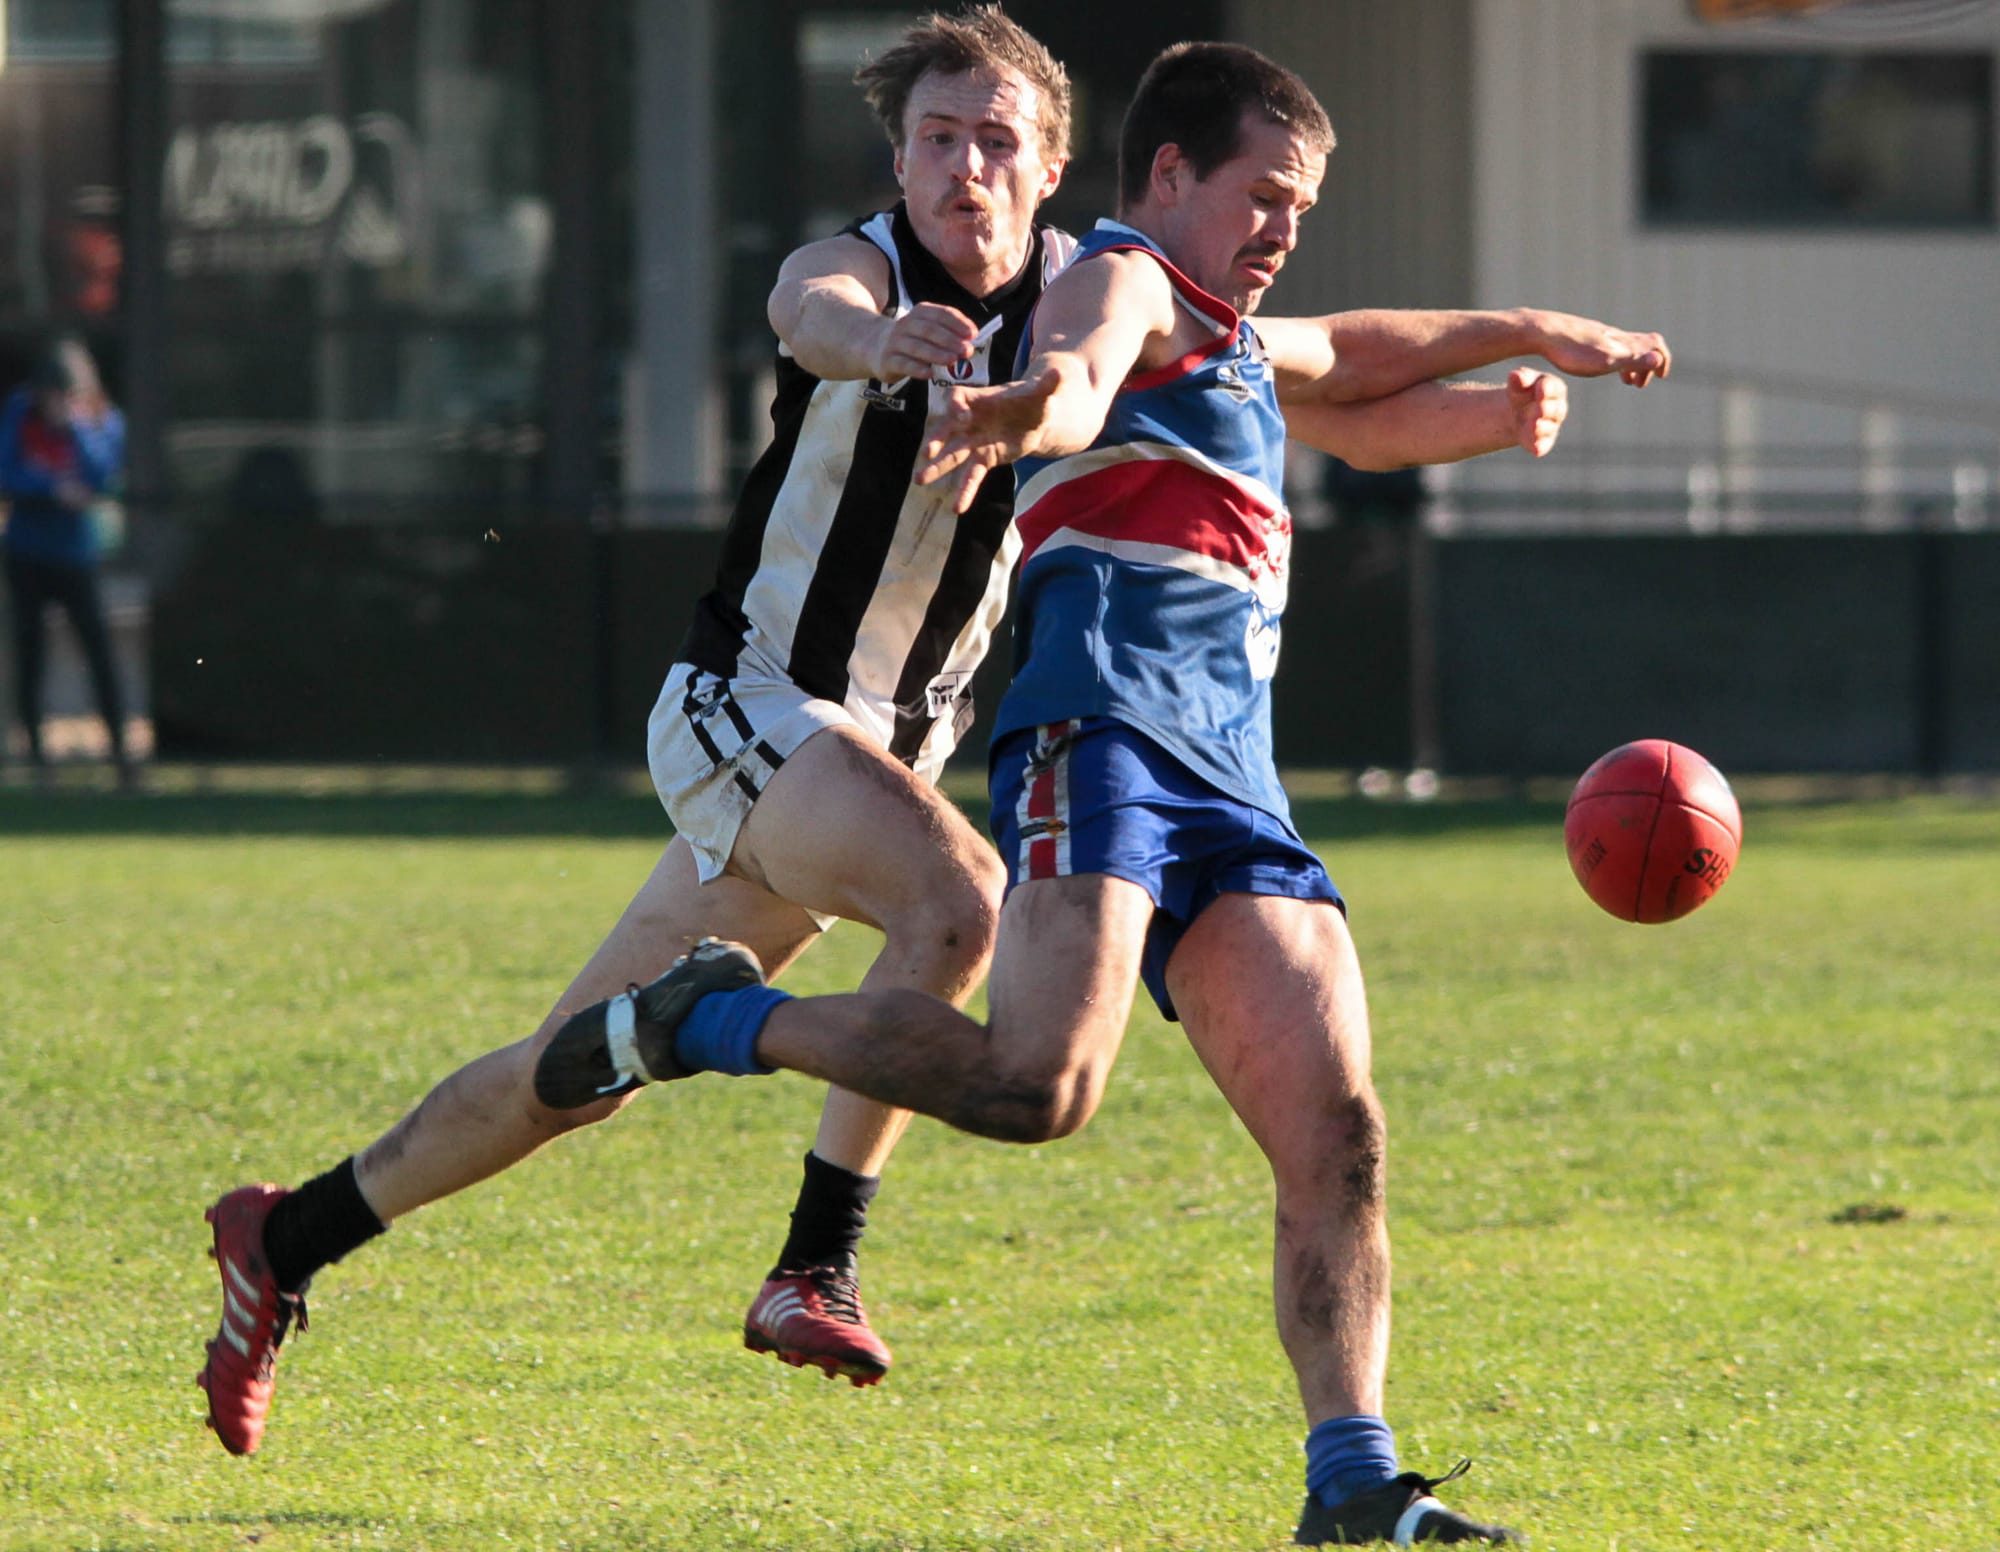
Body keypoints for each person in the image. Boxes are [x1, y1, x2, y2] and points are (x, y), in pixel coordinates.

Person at [195, 3, 1667, 1471]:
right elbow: (807, 314)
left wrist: (1511, 365)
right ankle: (815, 1261)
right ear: (897, 160)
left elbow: (1326, 360)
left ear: (1052, 168)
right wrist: (885, 339)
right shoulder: (865, 270)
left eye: (995, 142)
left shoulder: (1101, 288)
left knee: (567, 1072)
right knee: (962, 899)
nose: (962, 168)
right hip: (753, 706)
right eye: (934, 140)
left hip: (873, 758)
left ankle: (290, 1235)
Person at [0, 336, 131, 788]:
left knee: (99, 652)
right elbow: (6, 471)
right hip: (27, 553)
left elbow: (102, 475)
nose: (56, 403)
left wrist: (75, 427)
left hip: (76, 555)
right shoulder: (22, 413)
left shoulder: (103, 419)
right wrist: (50, 489)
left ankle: (122, 754)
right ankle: (37, 755)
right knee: (30, 652)